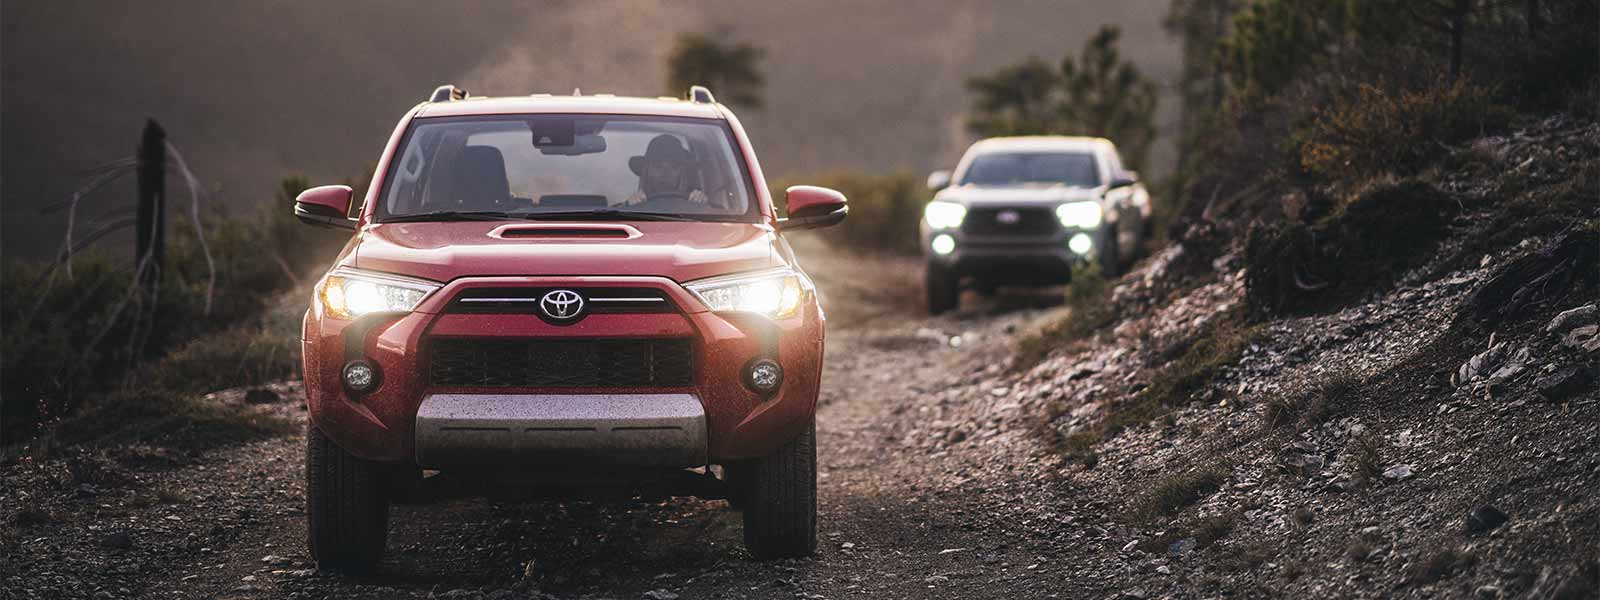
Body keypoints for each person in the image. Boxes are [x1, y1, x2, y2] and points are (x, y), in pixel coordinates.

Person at [625, 134, 708, 206]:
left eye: (673, 166)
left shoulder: (695, 205)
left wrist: (702, 204)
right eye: (658, 166)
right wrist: (630, 206)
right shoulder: (635, 207)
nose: (665, 173)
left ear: (682, 172)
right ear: (647, 171)